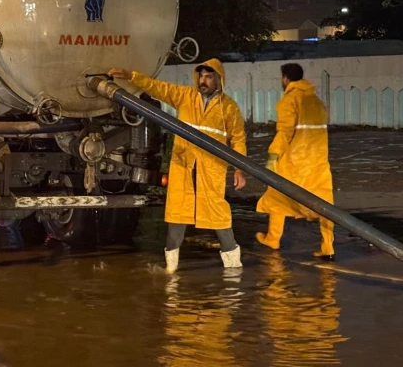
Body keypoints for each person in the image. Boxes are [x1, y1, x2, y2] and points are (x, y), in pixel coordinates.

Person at [108, 59, 248, 273]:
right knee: (177, 215)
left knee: (218, 215)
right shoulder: (185, 96)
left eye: (208, 77)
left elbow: (238, 138)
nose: (203, 80)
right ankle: (170, 269)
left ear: (219, 79)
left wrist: (240, 169)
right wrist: (132, 76)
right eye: (201, 76)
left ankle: (233, 267)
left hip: (210, 170)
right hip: (184, 166)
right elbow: (159, 88)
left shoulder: (228, 107)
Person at [255, 63, 336, 261]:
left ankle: (273, 239)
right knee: (324, 205)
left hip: (295, 162)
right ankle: (328, 246)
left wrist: (273, 156)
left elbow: (285, 131)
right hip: (317, 161)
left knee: (276, 196)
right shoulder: (316, 101)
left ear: (285, 79)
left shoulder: (289, 100)